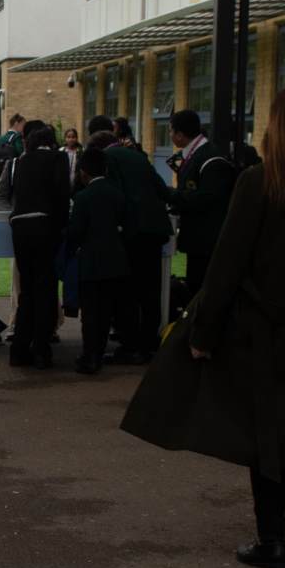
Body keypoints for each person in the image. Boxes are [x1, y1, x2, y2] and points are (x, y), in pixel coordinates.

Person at [121, 86, 285, 568]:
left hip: (267, 332)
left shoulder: (262, 184)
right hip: (278, 327)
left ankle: (272, 539)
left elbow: (227, 264)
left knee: (268, 438)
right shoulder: (260, 182)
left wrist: (202, 331)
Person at [104, 125, 173, 363]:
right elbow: (162, 189)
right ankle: (149, 343)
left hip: (132, 231)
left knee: (128, 291)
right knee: (151, 290)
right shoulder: (138, 157)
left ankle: (130, 345)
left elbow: (114, 195)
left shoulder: (109, 157)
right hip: (155, 229)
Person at [7, 125, 70, 370]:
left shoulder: (22, 161)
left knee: (27, 289)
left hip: (20, 226)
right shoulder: (58, 158)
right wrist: (60, 228)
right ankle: (41, 350)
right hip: (44, 225)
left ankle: (19, 349)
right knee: (45, 288)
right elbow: (62, 195)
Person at [67, 144, 130, 374]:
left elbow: (75, 232)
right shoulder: (117, 194)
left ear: (83, 172)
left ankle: (90, 355)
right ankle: (99, 353)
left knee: (90, 313)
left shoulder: (83, 198)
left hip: (91, 260)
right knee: (105, 312)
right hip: (115, 260)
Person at [167, 109, 235, 299]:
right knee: (186, 281)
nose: (170, 135)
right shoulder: (191, 154)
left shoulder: (211, 158)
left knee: (199, 288)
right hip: (190, 239)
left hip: (204, 242)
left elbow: (207, 198)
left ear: (180, 134)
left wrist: (172, 195)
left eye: (170, 131)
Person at [0, 112, 25, 183]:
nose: (23, 128)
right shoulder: (17, 137)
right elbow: (21, 153)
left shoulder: (0, 138)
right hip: (13, 172)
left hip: (0, 171)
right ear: (16, 124)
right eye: (23, 125)